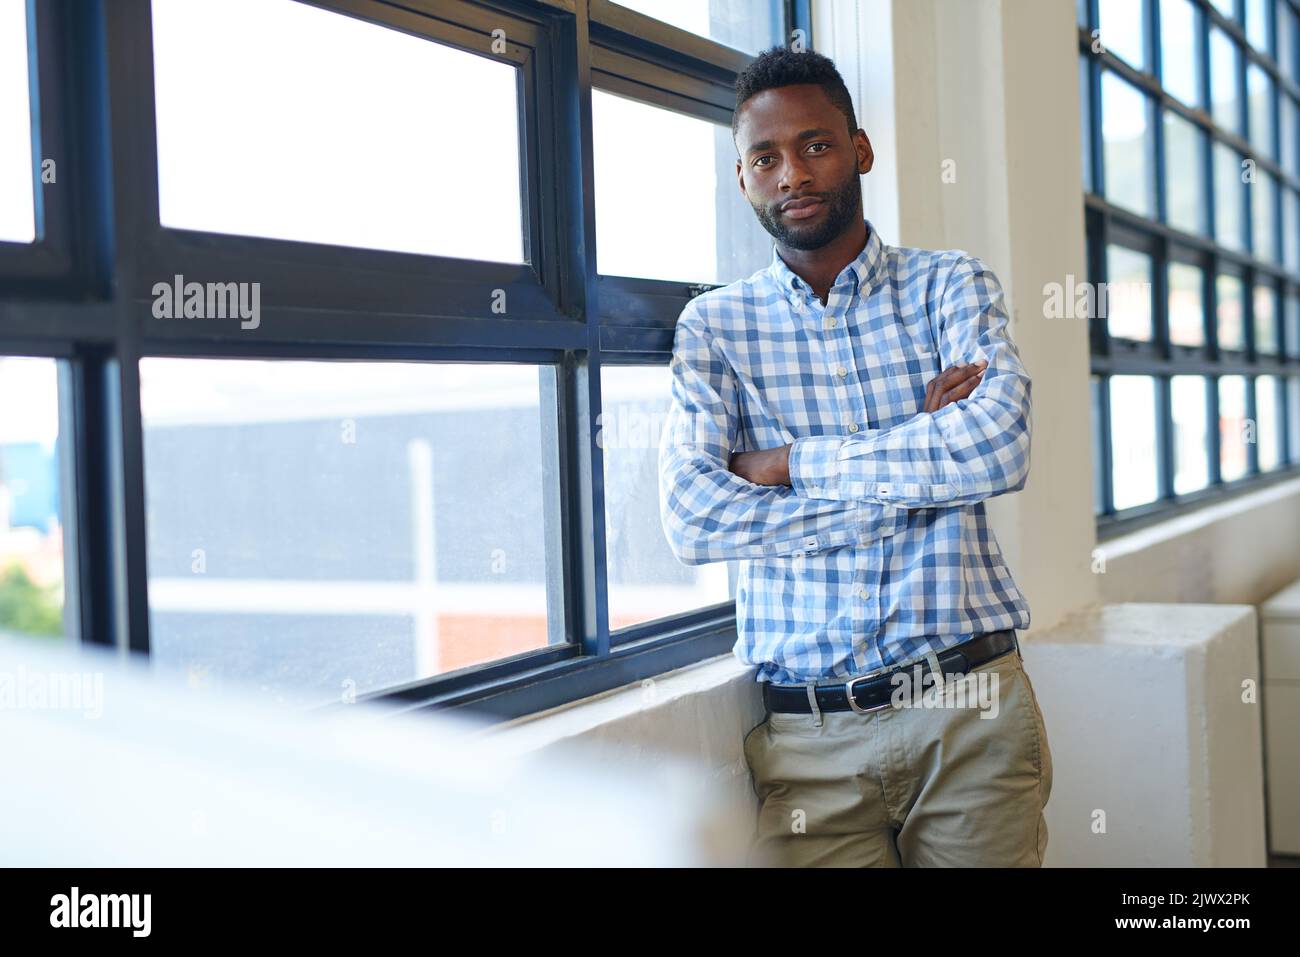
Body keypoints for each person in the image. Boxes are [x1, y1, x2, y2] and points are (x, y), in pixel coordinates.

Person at [657, 46, 1052, 867]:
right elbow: (694, 517)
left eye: (815, 145)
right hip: (809, 746)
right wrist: (919, 465)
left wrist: (785, 464)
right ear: (742, 179)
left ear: (860, 149)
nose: (792, 173)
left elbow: (997, 445)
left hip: (969, 713)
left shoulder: (950, 285)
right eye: (765, 157)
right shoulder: (714, 329)